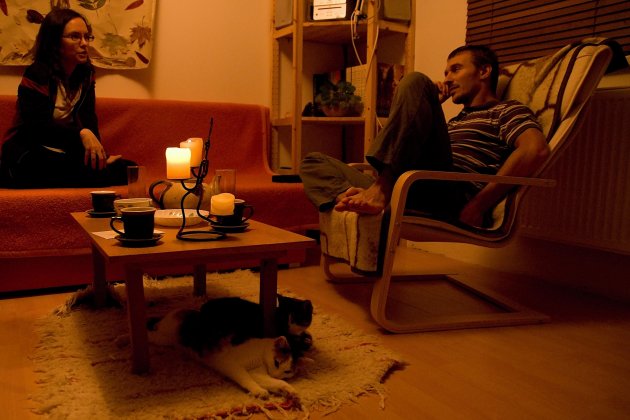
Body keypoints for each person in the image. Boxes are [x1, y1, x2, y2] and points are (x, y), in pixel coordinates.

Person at [300, 45, 551, 228]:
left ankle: (380, 189)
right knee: (313, 162)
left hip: (450, 194)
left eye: (455, 70)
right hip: (409, 185)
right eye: (446, 73)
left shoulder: (506, 110)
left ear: (484, 71)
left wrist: (478, 206)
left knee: (415, 80)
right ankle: (350, 197)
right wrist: (428, 106)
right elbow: (404, 146)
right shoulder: (455, 121)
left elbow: (535, 150)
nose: (447, 79)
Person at [0, 8, 135, 188]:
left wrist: (99, 155)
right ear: (54, 42)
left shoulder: (86, 75)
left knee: (129, 169)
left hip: (65, 151)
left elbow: (89, 119)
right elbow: (37, 128)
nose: (84, 43)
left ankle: (92, 172)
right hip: (29, 150)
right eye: (75, 37)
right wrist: (81, 133)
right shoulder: (37, 74)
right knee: (85, 171)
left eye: (87, 37)